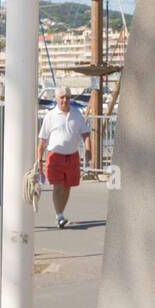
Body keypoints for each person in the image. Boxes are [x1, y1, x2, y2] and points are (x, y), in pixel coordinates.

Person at [37, 87, 92, 229]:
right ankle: (59, 215)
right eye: (62, 97)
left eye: (67, 97)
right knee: (58, 186)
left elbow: (85, 134)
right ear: (56, 99)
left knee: (67, 187)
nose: (65, 100)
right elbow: (42, 140)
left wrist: (88, 150)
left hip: (72, 156)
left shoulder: (76, 114)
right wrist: (39, 160)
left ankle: (61, 213)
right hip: (55, 156)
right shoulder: (50, 116)